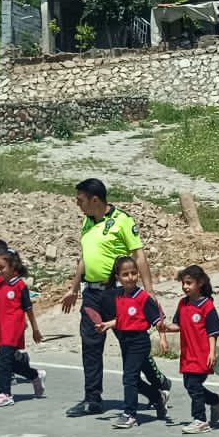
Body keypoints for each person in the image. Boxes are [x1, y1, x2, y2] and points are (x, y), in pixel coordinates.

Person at [58, 179, 150, 419]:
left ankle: (156, 387)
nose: (78, 205)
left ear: (95, 200)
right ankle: (92, 399)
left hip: (116, 293)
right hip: (92, 293)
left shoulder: (122, 221)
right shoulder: (87, 222)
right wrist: (74, 287)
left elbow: (138, 256)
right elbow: (85, 258)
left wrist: (148, 293)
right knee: (91, 345)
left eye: (81, 200)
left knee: (131, 344)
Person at [92, 253, 170, 428]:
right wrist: (108, 324)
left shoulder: (143, 298)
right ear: (118, 277)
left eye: (134, 273)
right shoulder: (119, 296)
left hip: (139, 342)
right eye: (125, 274)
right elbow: (124, 319)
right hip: (126, 342)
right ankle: (158, 397)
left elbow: (158, 320)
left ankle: (129, 414)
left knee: (129, 378)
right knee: (133, 379)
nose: (131, 277)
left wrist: (163, 339)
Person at [0, 249, 44, 407]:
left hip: (14, 328)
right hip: (1, 328)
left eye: (2, 268)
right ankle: (35, 375)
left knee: (2, 361)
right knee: (10, 362)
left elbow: (29, 310)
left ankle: (5, 394)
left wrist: (35, 329)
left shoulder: (20, 286)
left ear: (13, 267)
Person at [163, 265, 219, 433]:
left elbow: (213, 332)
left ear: (200, 283)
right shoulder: (182, 304)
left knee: (194, 385)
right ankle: (215, 400)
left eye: (189, 283)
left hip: (202, 354)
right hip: (187, 354)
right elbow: (179, 325)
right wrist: (167, 327)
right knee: (190, 385)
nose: (185, 287)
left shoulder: (207, 306)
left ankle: (200, 419)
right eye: (183, 283)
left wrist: (212, 352)